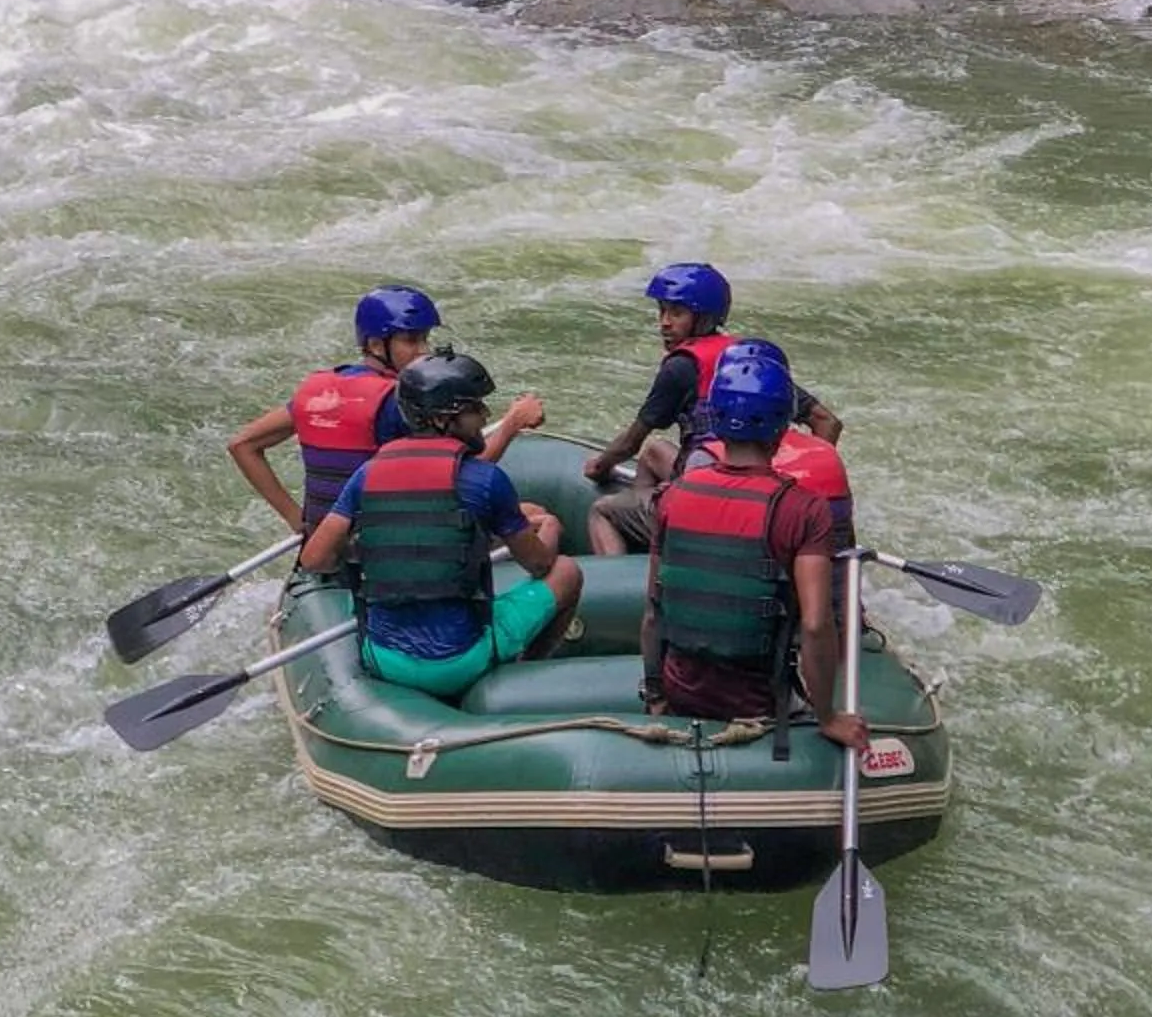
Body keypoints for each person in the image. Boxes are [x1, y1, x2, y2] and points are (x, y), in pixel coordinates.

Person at [299, 351, 580, 697]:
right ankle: (521, 672)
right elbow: (538, 564)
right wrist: (549, 533)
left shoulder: (367, 474)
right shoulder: (486, 479)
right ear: (445, 418)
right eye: (475, 408)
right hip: (459, 663)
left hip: (382, 659)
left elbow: (314, 559)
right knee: (566, 571)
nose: (484, 416)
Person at [641, 341, 867, 751]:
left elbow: (654, 609)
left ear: (716, 419)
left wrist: (656, 694)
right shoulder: (804, 509)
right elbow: (817, 625)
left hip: (680, 693)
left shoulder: (673, 495)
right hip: (761, 701)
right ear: (784, 427)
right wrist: (829, 716)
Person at [226, 287, 546, 535]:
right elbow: (461, 476)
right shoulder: (398, 403)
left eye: (425, 339)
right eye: (411, 340)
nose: (423, 352)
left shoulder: (316, 391)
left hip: (328, 537)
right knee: (538, 518)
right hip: (390, 541)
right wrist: (512, 423)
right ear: (378, 345)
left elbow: (243, 445)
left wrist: (298, 520)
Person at [583, 263, 841, 555]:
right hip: (754, 486)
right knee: (655, 451)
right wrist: (799, 480)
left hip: (710, 492)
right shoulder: (753, 365)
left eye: (676, 313)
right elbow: (826, 421)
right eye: (662, 311)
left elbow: (631, 442)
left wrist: (600, 466)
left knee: (602, 510)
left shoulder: (680, 368)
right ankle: (654, 527)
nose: (664, 323)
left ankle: (643, 559)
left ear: (703, 318)